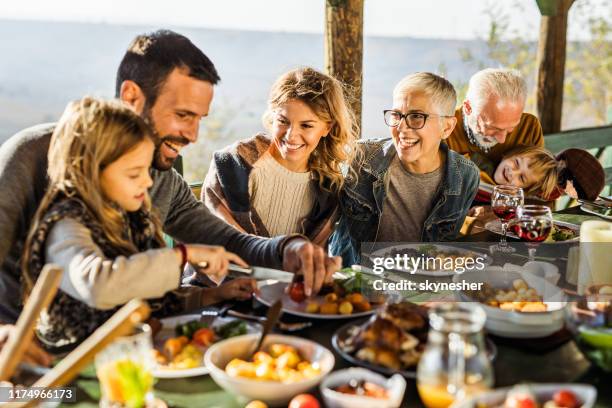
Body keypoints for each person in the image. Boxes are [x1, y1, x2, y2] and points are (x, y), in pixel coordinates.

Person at [0, 30, 340, 324]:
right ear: (132, 96)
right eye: (182, 115)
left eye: (200, 119)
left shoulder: (161, 176)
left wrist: (289, 248)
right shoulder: (31, 154)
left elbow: (230, 242)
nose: (193, 136)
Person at [20, 97, 252, 349]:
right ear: (90, 171)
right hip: (74, 368)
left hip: (130, 355)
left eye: (146, 170)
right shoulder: (65, 226)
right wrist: (182, 255)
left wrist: (213, 295)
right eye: (134, 173)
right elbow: (100, 286)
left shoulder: (131, 218)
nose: (148, 182)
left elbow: (147, 298)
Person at [329, 72, 479, 266]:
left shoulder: (466, 176)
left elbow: (441, 253)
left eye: (416, 117)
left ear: (447, 127)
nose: (402, 128)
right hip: (354, 285)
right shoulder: (360, 157)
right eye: (397, 115)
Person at [203, 67, 358, 246]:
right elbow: (222, 240)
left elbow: (312, 256)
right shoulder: (236, 164)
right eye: (283, 121)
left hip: (291, 274)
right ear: (272, 116)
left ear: (327, 128)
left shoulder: (327, 187)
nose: (291, 135)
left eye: (306, 125)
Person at [445, 68, 544, 170]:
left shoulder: (529, 128)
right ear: (468, 108)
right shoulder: (443, 129)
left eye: (512, 127)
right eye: (493, 127)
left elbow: (540, 179)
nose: (502, 139)